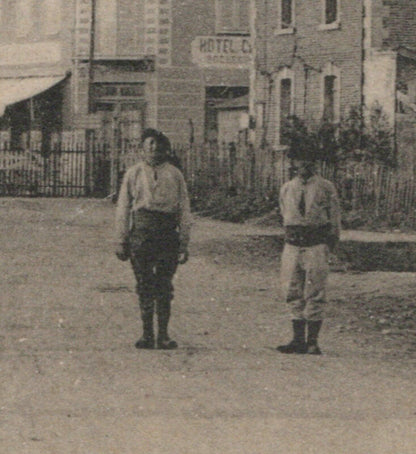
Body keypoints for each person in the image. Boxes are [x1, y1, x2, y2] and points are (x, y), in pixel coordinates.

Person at [115, 128, 191, 350]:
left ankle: (164, 335)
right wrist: (121, 239)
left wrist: (184, 242)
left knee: (165, 285)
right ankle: (147, 334)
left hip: (167, 235)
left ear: (165, 149)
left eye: (158, 146)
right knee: (144, 283)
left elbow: (184, 209)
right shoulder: (133, 173)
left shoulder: (175, 174)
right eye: (150, 145)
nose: (154, 150)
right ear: (142, 149)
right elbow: (123, 208)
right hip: (141, 235)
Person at [277, 149, 341, 355]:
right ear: (293, 162)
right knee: (292, 290)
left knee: (315, 290)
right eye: (299, 160)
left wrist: (329, 245)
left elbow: (334, 218)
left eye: (308, 160)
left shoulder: (326, 187)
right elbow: (284, 215)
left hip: (316, 244)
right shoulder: (287, 188)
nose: (304, 165)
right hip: (293, 244)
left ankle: (312, 342)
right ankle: (297, 340)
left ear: (314, 163)